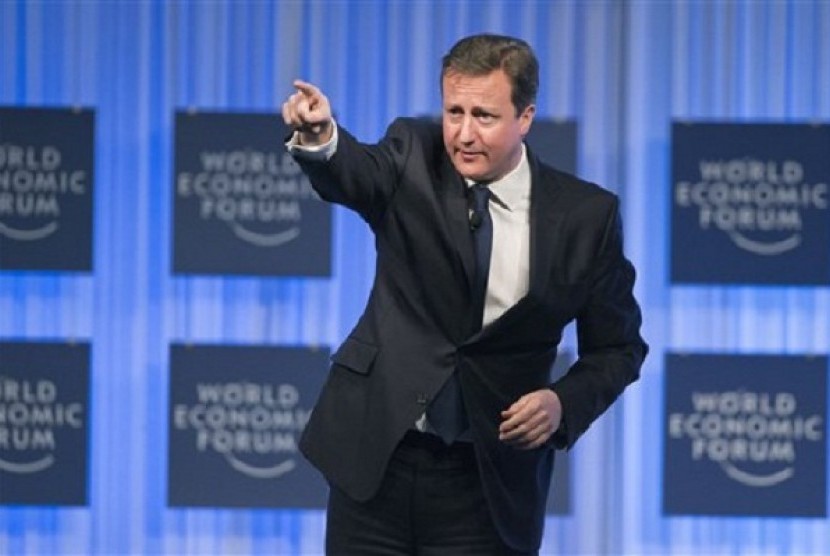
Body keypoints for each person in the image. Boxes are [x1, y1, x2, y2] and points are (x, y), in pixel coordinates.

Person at [282, 33, 647, 555]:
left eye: (485, 116)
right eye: (454, 111)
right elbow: (355, 174)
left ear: (526, 117)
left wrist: (561, 402)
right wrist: (322, 139)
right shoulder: (413, 154)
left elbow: (619, 348)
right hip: (378, 459)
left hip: (488, 481)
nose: (464, 134)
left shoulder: (587, 218)